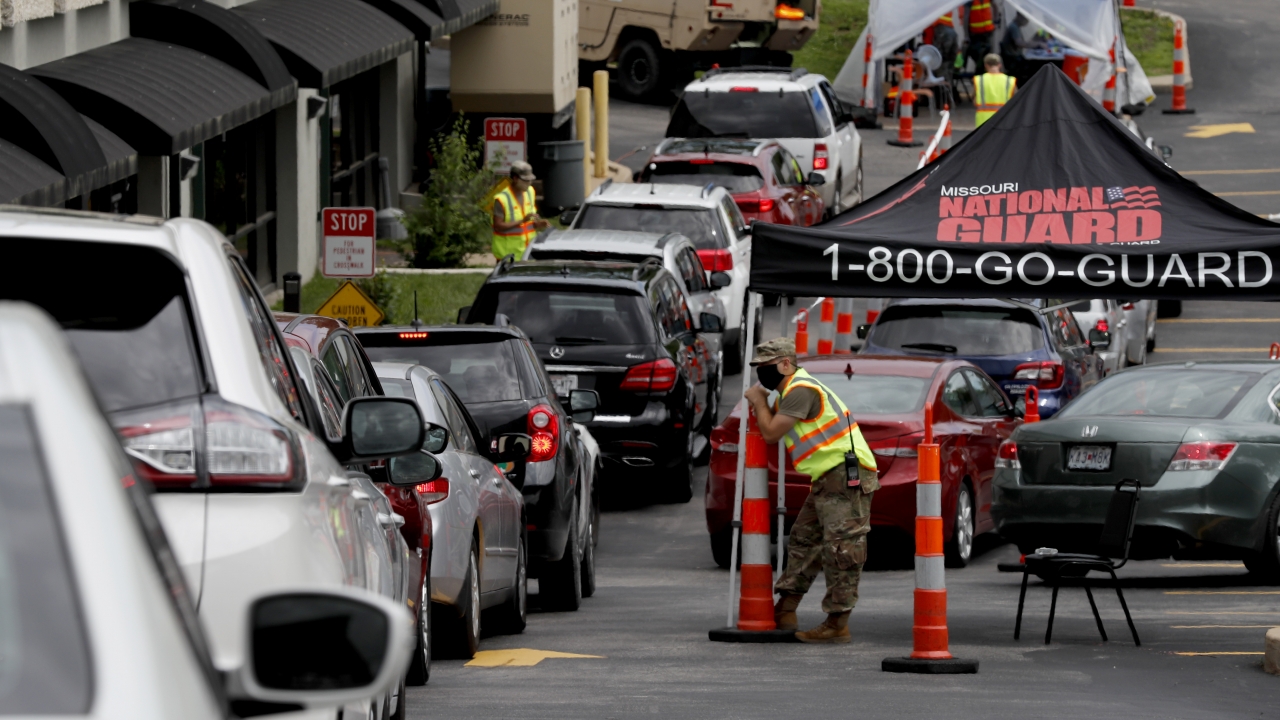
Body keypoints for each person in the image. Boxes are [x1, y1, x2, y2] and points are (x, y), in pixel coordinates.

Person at [742, 338, 878, 644]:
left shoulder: (801, 390)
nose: (761, 375)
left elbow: (771, 433)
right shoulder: (792, 392)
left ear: (786, 364)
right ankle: (786, 610)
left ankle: (837, 623)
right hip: (829, 477)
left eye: (765, 368)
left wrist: (759, 401)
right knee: (805, 540)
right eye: (758, 369)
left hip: (845, 476)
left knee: (842, 550)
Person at [491, 161, 550, 260]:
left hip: (528, 253)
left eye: (530, 180)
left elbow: (529, 222)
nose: (529, 183)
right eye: (526, 180)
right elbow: (497, 226)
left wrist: (537, 224)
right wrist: (522, 221)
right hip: (508, 256)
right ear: (515, 178)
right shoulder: (501, 199)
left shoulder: (530, 192)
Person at [974, 53, 1016, 128]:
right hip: (1004, 120)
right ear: (1000, 65)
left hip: (983, 121)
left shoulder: (979, 80)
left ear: (986, 65)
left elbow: (975, 101)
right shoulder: (1009, 81)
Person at [963, 0, 996, 74]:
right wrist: (966, 35)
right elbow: (966, 16)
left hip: (987, 33)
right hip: (976, 35)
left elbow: (995, 6)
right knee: (978, 57)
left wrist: (995, 22)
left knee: (989, 58)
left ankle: (984, 75)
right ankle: (980, 75)